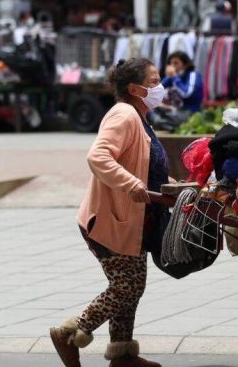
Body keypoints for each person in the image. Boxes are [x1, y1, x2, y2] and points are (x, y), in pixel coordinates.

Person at [49, 58, 169, 367]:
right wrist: (131, 184)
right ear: (134, 89)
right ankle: (69, 332)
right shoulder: (124, 114)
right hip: (109, 220)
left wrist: (177, 187)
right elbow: (98, 156)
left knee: (133, 287)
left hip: (134, 222)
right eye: (154, 82)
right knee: (125, 286)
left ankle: (122, 354)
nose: (160, 88)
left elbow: (148, 167)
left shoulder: (142, 118)